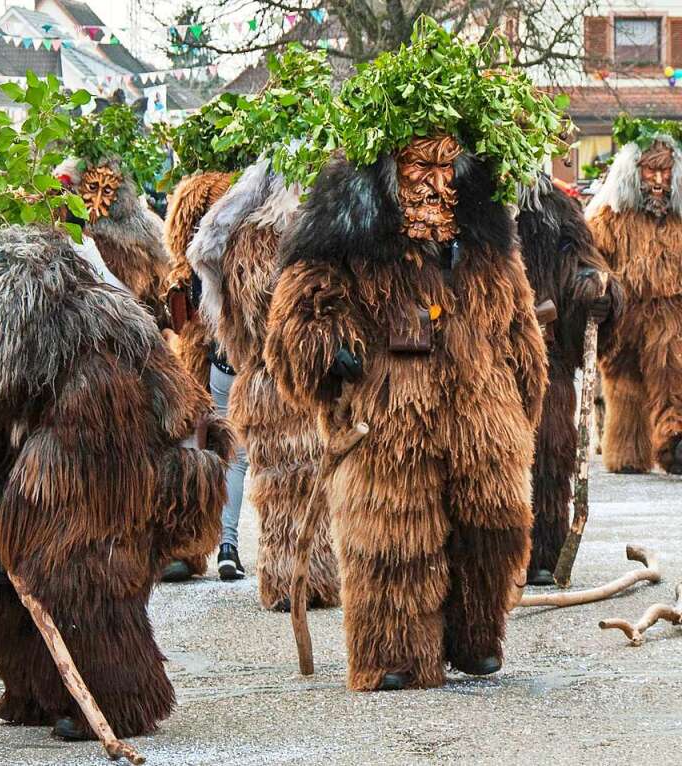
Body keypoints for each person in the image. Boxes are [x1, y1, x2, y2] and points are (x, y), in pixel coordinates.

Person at [264, 27, 550, 690]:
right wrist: (327, 351)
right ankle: (394, 653)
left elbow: (517, 324)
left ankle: (475, 634)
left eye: (446, 165)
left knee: (497, 525)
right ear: (388, 172)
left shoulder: (484, 242)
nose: (434, 182)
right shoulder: (346, 241)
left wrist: (522, 404)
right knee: (395, 540)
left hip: (482, 414)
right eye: (419, 166)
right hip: (389, 418)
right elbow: (300, 309)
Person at [0, 225, 232, 741]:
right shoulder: (15, 351)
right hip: (33, 474)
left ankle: (116, 698)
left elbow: (92, 448)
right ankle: (37, 687)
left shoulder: (92, 352)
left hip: (105, 488)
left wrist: (24, 502)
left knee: (83, 579)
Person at [187, 158, 340, 610]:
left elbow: (227, 301)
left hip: (260, 380)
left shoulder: (240, 241)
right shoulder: (304, 238)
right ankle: (309, 580)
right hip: (295, 382)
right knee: (304, 480)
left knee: (277, 486)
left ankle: (284, 582)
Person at [516, 175, 616, 584]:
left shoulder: (554, 207)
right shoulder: (462, 198)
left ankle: (543, 550)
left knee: (551, 447)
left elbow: (583, 264)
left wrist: (595, 291)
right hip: (479, 356)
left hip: (546, 355)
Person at [161, 170, 244, 583]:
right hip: (206, 354)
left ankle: (217, 545)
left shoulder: (226, 253)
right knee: (205, 449)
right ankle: (203, 544)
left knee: (228, 450)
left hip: (228, 351)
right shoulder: (191, 265)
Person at [586, 125, 682, 474]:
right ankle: (627, 453)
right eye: (649, 171)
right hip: (625, 314)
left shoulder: (679, 220)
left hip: (671, 315)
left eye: (665, 171)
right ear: (634, 173)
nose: (658, 180)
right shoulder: (610, 217)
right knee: (623, 383)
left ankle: (674, 441)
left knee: (672, 374)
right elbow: (593, 256)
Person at [57, 157, 171, 325]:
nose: (97, 199)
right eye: (93, 188)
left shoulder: (141, 233)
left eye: (107, 190)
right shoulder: (81, 238)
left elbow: (130, 299)